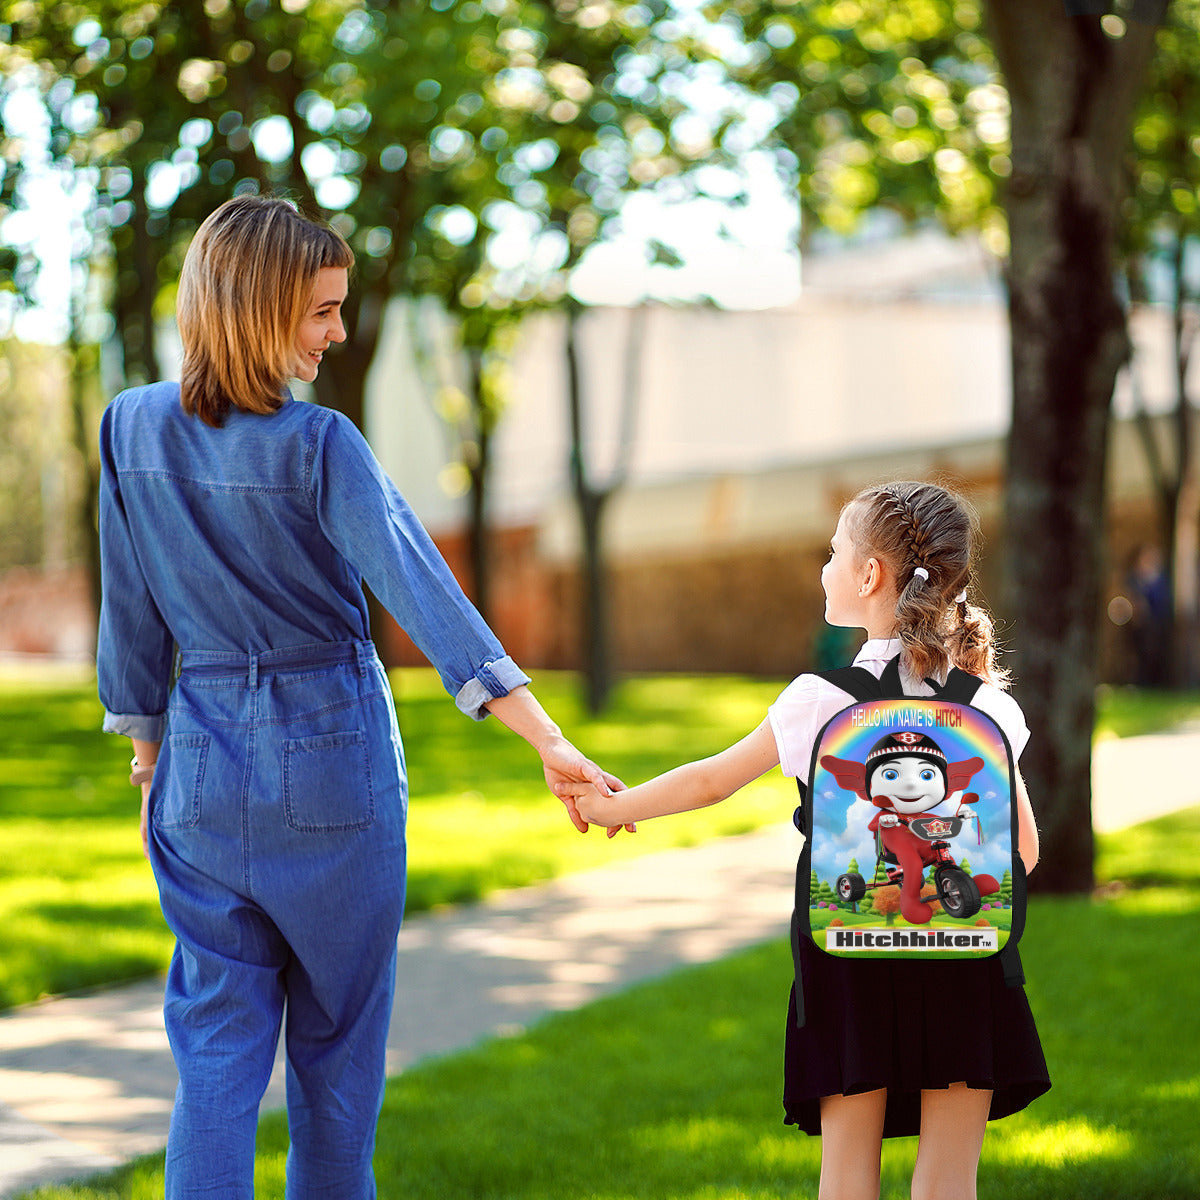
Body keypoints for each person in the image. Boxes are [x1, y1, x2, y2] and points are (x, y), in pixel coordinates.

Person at [96, 194, 620, 1199]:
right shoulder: (318, 443)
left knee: (213, 1059)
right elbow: (426, 592)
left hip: (198, 774)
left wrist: (152, 755)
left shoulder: (129, 427)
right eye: (321, 311)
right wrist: (544, 737)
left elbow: (132, 614)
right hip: (329, 759)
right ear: (256, 306)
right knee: (335, 1059)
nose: (339, 332)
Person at [559, 481, 1050, 1200]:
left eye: (833, 551)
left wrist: (615, 808)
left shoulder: (820, 701)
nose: (825, 567)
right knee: (950, 1181)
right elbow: (1026, 854)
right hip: (963, 963)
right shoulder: (988, 708)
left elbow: (710, 783)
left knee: (846, 1176)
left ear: (869, 574)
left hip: (848, 961)